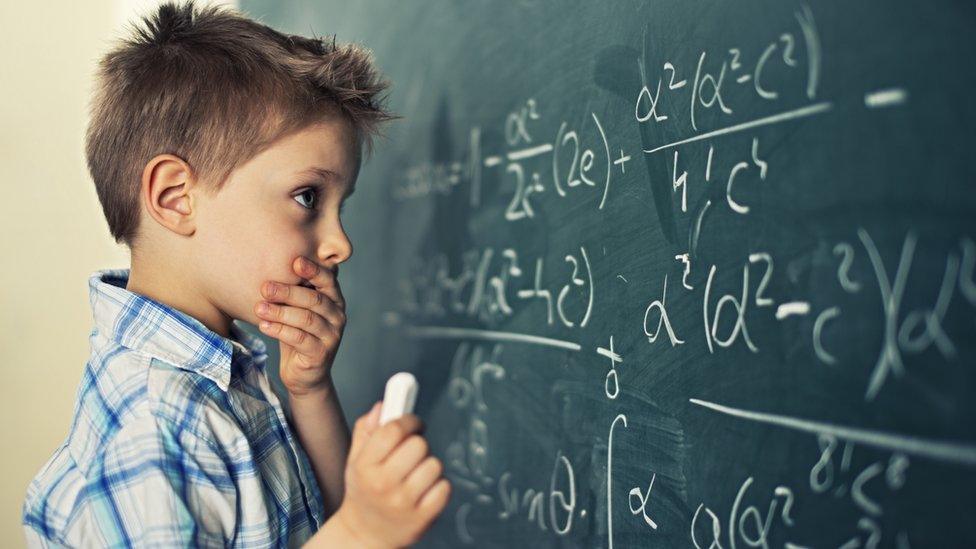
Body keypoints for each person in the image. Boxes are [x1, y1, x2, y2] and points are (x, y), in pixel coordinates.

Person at [21, 1, 450, 546]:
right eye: (307, 196)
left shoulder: (222, 372)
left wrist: (309, 390)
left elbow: (324, 519)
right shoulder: (157, 430)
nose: (340, 243)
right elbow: (348, 530)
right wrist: (364, 530)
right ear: (176, 198)